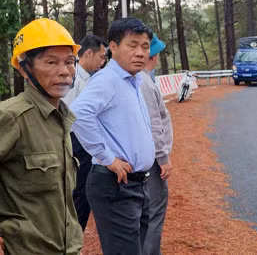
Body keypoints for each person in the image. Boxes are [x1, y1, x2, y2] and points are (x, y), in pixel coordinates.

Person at [71, 18, 156, 255]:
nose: (140, 52)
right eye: (132, 45)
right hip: (116, 184)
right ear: (114, 47)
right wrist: (107, 157)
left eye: (145, 46)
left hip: (137, 184)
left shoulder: (133, 80)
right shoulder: (108, 79)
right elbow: (78, 113)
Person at [0, 18, 83, 254]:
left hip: (68, 248)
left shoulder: (62, 118)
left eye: (69, 62)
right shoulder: (12, 117)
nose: (64, 72)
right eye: (51, 62)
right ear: (25, 69)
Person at [63, 34, 108, 231]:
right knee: (78, 192)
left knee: (82, 192)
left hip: (80, 142)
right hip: (73, 141)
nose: (103, 62)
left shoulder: (88, 79)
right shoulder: (71, 78)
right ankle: (73, 235)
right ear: (88, 53)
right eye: (101, 56)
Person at [138, 35, 173, 255]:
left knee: (145, 212)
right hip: (152, 160)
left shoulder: (141, 80)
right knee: (153, 211)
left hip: (146, 157)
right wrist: (163, 158)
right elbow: (154, 124)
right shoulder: (144, 83)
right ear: (155, 55)